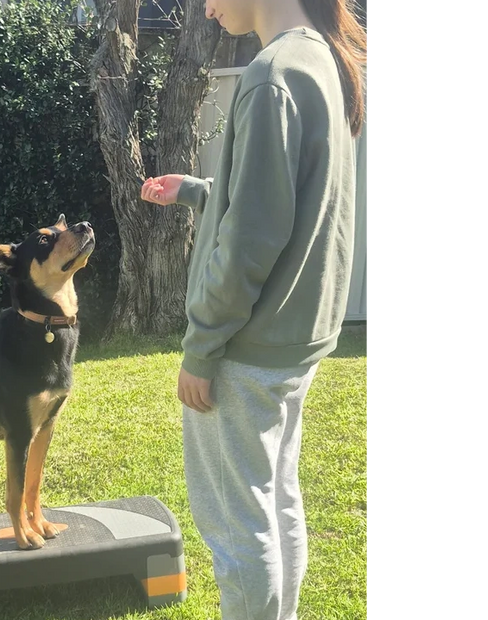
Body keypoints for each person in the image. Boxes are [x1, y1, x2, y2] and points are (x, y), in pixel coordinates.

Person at [139, 1, 368, 618]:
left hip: (246, 344)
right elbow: (276, 199)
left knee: (239, 527)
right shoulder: (320, 57)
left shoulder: (272, 75)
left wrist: (202, 345)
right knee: (274, 501)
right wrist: (194, 191)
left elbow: (252, 237)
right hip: (295, 338)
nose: (207, 8)